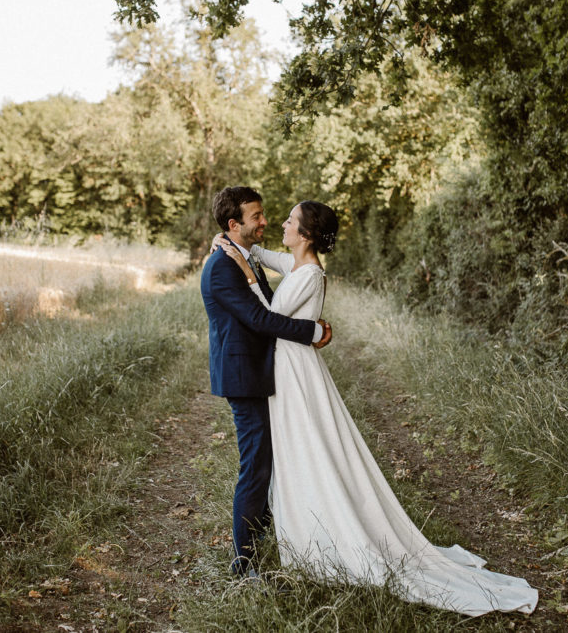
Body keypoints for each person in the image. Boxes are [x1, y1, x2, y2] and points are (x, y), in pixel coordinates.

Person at [212, 199, 539, 617]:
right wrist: (232, 242)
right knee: (295, 451)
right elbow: (264, 254)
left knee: (310, 447)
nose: (281, 223)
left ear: (306, 234)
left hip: (295, 371)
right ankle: (297, 527)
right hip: (288, 367)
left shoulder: (309, 274)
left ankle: (323, 530)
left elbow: (270, 315)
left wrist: (247, 276)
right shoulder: (297, 264)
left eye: (290, 220)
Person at [200, 186, 332, 578]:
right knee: (256, 465)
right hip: (244, 377)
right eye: (256, 216)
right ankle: (243, 562)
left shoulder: (242, 256)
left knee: (270, 460)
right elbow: (261, 319)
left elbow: (273, 303)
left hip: (263, 372)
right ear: (233, 224)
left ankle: (268, 538)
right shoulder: (223, 267)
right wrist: (311, 331)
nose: (266, 221)